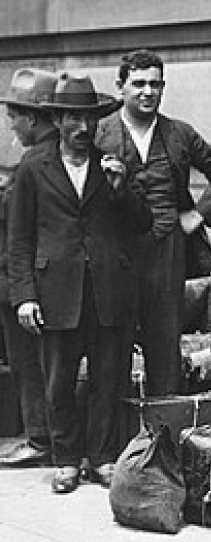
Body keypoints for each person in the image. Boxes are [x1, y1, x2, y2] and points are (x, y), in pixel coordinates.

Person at [8, 73, 151, 493]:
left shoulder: (113, 162)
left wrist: (121, 188)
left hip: (108, 290)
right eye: (73, 118)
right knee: (59, 382)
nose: (82, 128)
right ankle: (67, 459)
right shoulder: (34, 167)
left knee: (109, 378)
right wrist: (24, 296)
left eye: (88, 119)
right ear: (57, 119)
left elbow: (142, 224)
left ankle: (103, 458)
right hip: (56, 292)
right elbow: (19, 240)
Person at [95, 49, 211, 397]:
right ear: (121, 87)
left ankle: (165, 435)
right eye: (139, 84)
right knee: (113, 348)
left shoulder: (179, 134)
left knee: (164, 344)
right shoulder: (100, 133)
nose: (148, 92)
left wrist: (198, 215)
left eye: (155, 85)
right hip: (117, 254)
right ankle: (115, 441)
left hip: (167, 251)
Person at [0, 68, 57, 468]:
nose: (10, 122)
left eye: (15, 115)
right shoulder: (48, 155)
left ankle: (40, 438)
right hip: (38, 280)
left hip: (21, 282)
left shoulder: (34, 161)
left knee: (29, 364)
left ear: (33, 118)